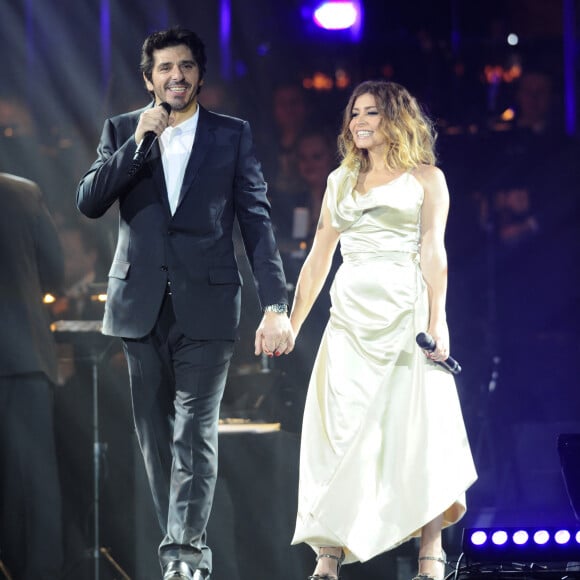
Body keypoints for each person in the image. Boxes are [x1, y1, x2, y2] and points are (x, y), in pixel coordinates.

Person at [76, 26, 294, 580]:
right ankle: (181, 544)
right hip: (139, 305)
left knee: (193, 427)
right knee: (154, 435)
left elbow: (257, 223)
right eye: (166, 68)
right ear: (149, 79)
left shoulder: (231, 134)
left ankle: (184, 557)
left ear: (200, 74)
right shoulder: (123, 130)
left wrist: (276, 302)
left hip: (210, 305)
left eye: (186, 66)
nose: (177, 76)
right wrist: (137, 143)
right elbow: (89, 201)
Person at [288, 80, 477, 580]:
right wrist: (291, 323)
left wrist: (439, 320)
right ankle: (328, 552)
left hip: (405, 315)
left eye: (370, 112)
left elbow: (433, 253)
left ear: (395, 118)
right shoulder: (339, 181)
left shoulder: (427, 179)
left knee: (418, 426)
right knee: (340, 429)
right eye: (353, 114)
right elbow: (317, 259)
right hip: (350, 316)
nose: (358, 121)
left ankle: (430, 553)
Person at [0, 172, 65, 579]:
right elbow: (55, 276)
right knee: (36, 485)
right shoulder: (25, 192)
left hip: (24, 359)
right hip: (25, 357)